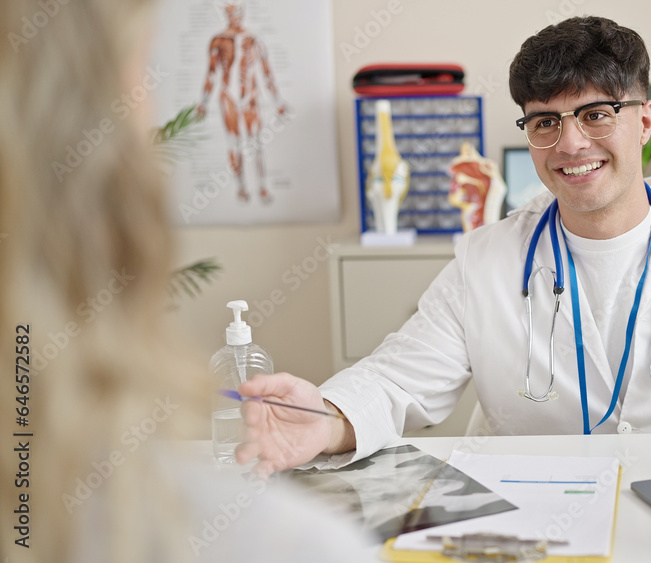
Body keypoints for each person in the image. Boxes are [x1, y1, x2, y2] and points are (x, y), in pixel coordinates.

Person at [236, 16, 651, 476]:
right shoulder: (485, 261)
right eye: (545, 122)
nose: (569, 144)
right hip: (535, 515)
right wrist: (326, 415)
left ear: (643, 121)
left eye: (595, 113)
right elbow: (396, 379)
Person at [0, 1, 374, 561]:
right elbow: (404, 373)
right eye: (139, 80)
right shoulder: (290, 545)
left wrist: (329, 421)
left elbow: (262, 77)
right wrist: (333, 420)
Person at [196, 2, 288, 204]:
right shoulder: (218, 41)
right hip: (229, 96)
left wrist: (277, 101)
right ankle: (241, 187)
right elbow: (211, 74)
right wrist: (203, 102)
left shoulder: (254, 39)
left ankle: (262, 186)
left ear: (243, 11)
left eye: (237, 9)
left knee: (256, 143)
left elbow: (266, 72)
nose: (234, 14)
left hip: (250, 97)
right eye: (230, 10)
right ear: (224, 12)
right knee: (234, 143)